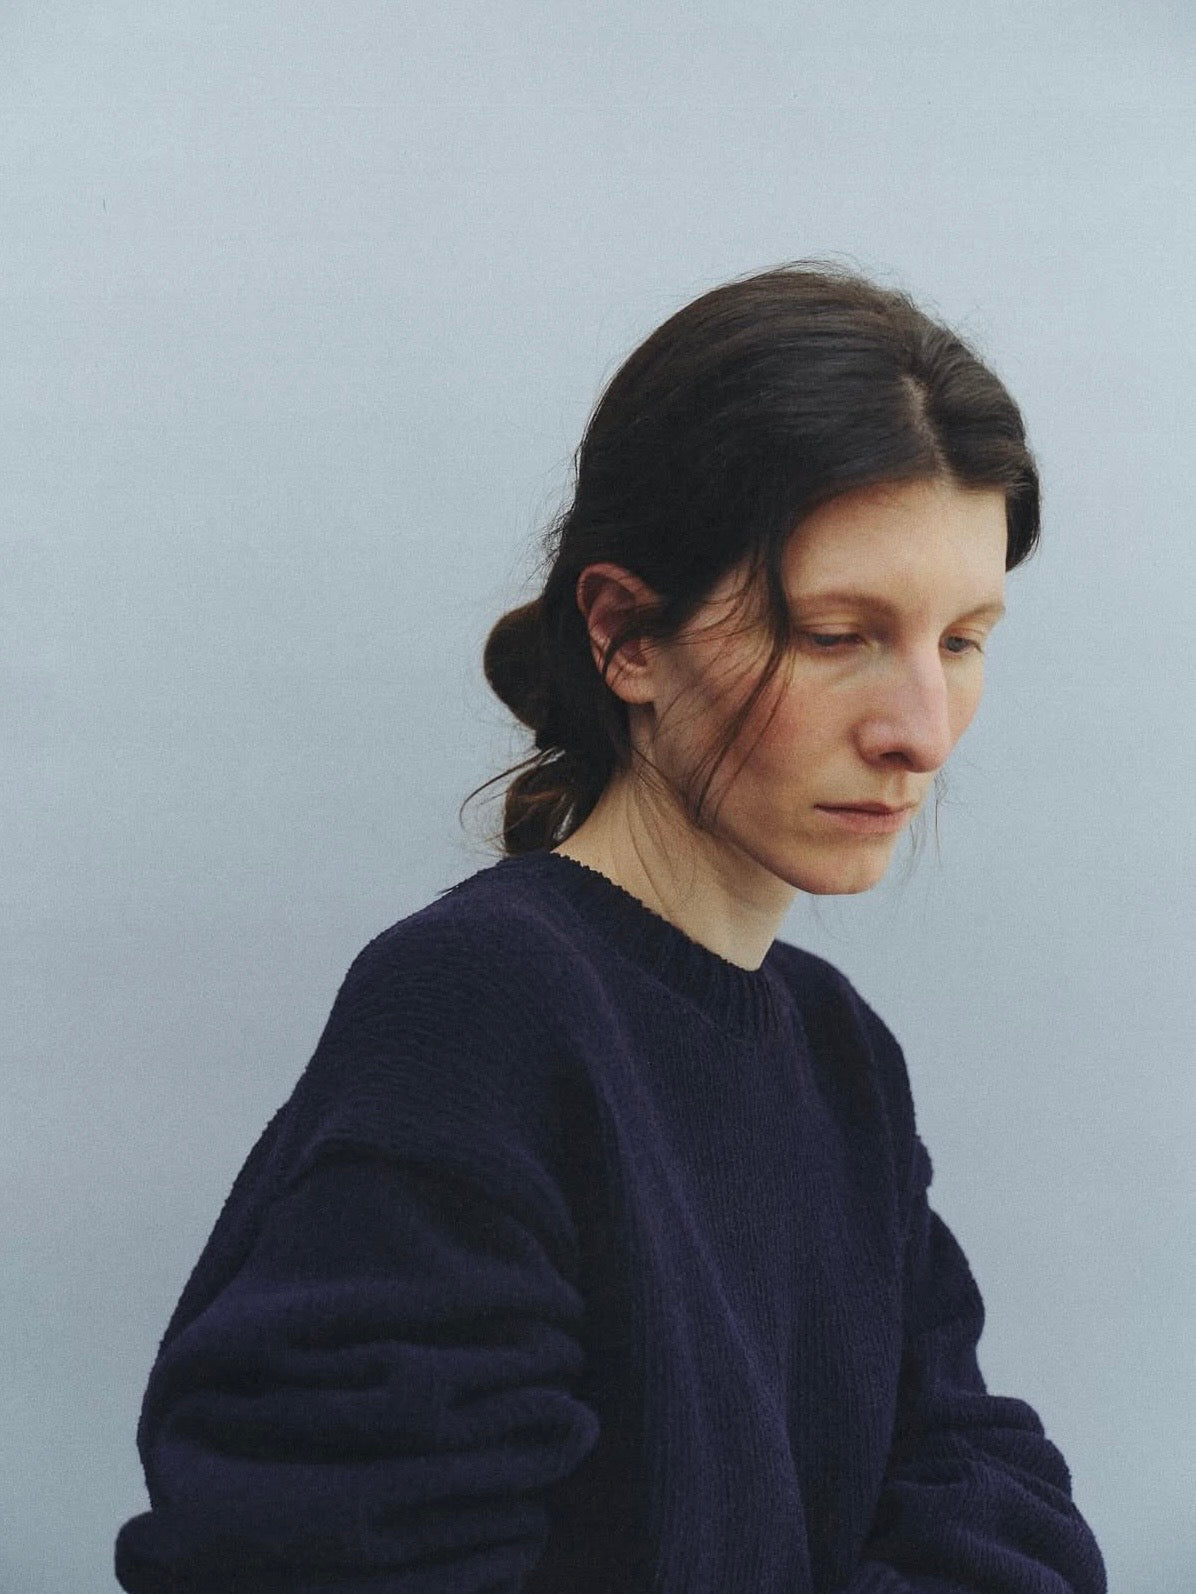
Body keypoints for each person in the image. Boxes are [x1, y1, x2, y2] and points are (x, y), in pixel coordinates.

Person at [114, 259, 1108, 1593]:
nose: (920, 731)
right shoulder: (482, 1007)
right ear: (627, 634)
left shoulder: (841, 1057)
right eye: (836, 634)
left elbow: (995, 1494)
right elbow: (321, 1551)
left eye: (964, 640)